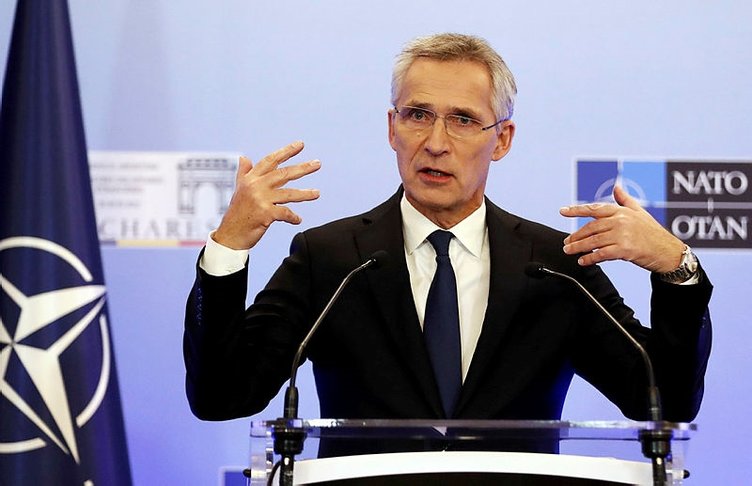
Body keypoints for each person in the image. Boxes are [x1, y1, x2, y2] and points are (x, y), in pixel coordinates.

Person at [183, 33, 712, 427]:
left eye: (462, 120)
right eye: (417, 115)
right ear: (392, 128)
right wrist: (228, 247)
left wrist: (677, 269)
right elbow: (221, 397)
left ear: (502, 139)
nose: (435, 143)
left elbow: (664, 400)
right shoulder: (332, 259)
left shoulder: (556, 266)